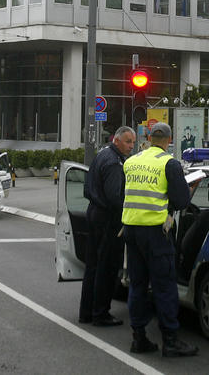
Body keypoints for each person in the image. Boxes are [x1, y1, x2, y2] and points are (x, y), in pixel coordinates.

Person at [121, 122, 198, 358]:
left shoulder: (131, 162)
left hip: (131, 230)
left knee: (138, 284)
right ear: (169, 140)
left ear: (149, 137)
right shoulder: (169, 163)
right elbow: (182, 201)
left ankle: (139, 338)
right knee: (164, 286)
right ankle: (171, 341)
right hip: (155, 231)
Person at [79, 125, 137, 327]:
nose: (132, 146)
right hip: (108, 219)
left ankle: (86, 312)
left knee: (92, 267)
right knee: (106, 267)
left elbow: (87, 188)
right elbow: (114, 197)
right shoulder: (114, 163)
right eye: (128, 141)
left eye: (133, 142)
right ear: (117, 140)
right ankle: (101, 313)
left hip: (94, 214)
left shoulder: (102, 155)